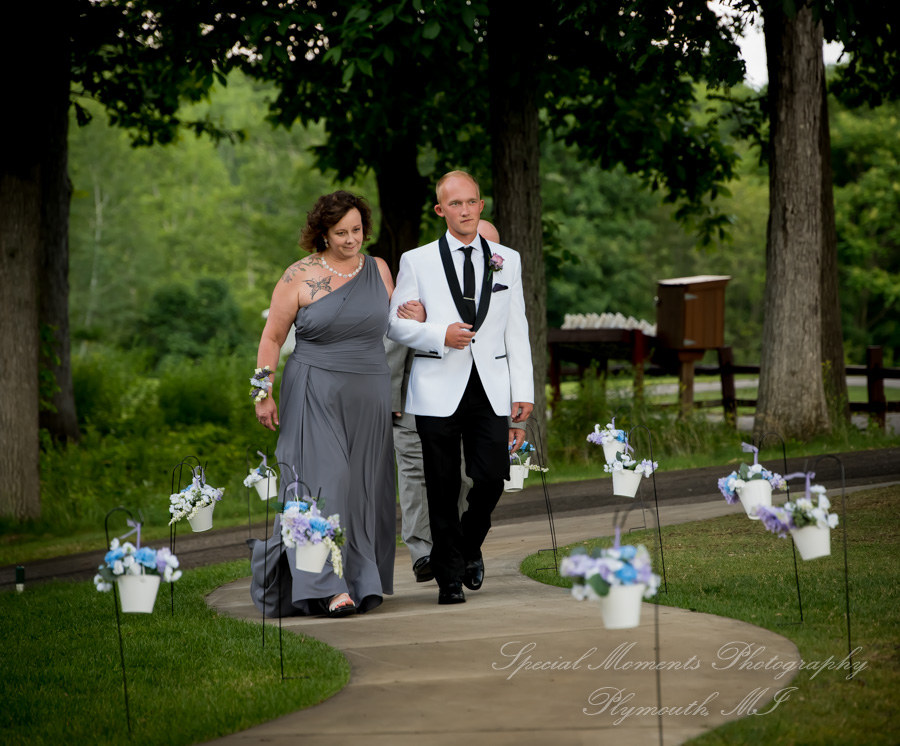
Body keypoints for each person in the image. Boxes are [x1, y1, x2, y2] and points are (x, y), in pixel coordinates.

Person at [387, 171, 534, 605]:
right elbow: (396, 325)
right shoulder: (417, 260)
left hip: (491, 387)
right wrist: (439, 334)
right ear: (441, 210)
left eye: (471, 202)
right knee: (442, 484)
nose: (465, 210)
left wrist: (523, 391)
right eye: (455, 204)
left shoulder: (508, 259)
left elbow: (517, 329)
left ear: (481, 205)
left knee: (491, 478)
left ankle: (468, 545)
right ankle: (449, 578)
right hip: (436, 387)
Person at [249, 191, 396, 617]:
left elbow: (399, 325)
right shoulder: (298, 274)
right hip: (314, 389)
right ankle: (327, 586)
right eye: (341, 232)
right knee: (324, 483)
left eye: (357, 230)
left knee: (362, 489)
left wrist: (418, 315)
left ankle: (361, 579)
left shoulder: (379, 269)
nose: (351, 239)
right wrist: (262, 393)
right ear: (323, 233)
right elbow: (271, 338)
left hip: (370, 391)